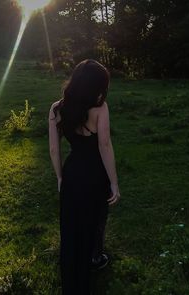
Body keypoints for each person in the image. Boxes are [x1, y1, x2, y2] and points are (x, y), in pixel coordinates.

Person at [48, 59, 120, 295]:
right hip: (95, 175)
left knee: (70, 228)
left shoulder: (57, 109)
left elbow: (54, 149)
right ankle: (93, 260)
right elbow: (105, 145)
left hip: (72, 172)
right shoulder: (100, 108)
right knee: (93, 223)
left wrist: (60, 177)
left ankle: (71, 280)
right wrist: (114, 183)